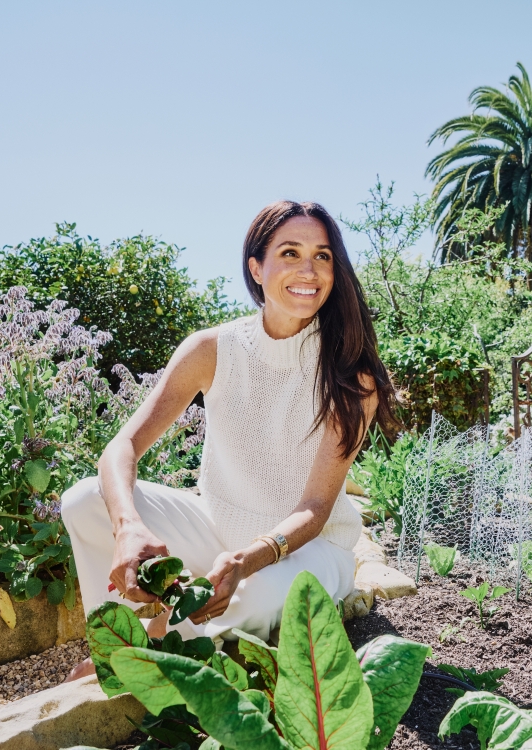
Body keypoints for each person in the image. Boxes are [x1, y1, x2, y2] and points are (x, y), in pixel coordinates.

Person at [61, 200, 395, 681]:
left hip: (310, 551)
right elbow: (121, 448)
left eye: (322, 256)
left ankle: (140, 650)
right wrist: (128, 525)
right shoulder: (211, 349)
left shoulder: (350, 373)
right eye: (290, 253)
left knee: (260, 593)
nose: (309, 270)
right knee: (83, 500)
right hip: (217, 530)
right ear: (256, 268)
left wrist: (249, 559)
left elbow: (317, 506)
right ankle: (115, 631)